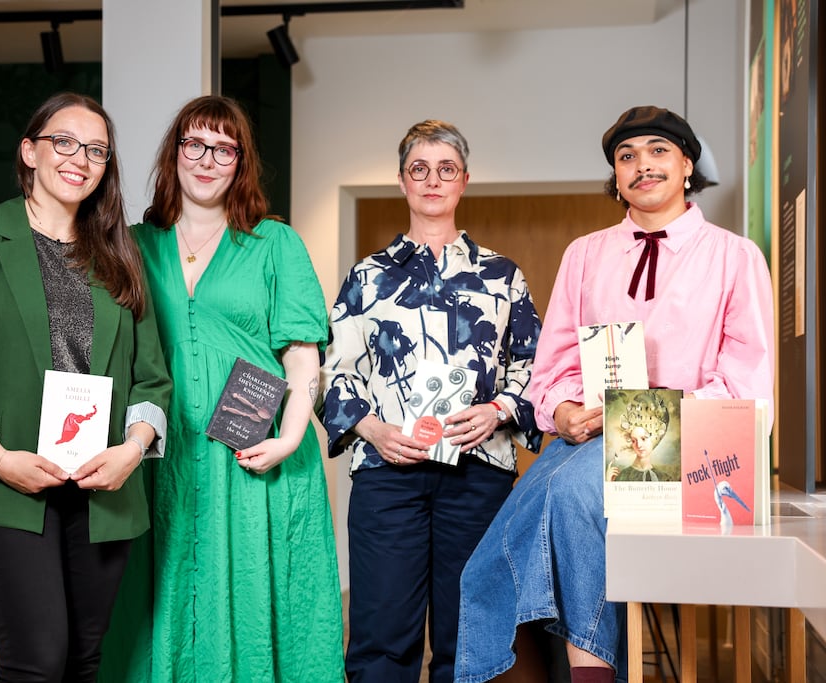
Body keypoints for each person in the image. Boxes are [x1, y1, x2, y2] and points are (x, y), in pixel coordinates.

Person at [455, 105, 774, 683]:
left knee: (571, 495)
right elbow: (551, 368)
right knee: (492, 561)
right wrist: (563, 412)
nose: (642, 165)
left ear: (687, 165)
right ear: (616, 176)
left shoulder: (735, 256)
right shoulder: (585, 253)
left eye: (658, 151)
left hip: (694, 453)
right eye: (627, 156)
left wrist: (642, 420)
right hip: (585, 443)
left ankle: (588, 673)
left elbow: (747, 388)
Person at [0, 92, 171, 682]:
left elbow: (152, 377)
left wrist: (131, 452)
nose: (80, 158)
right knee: (36, 661)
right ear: (29, 151)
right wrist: (0, 460)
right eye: (64, 142)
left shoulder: (120, 253)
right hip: (3, 482)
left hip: (102, 490)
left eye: (97, 150)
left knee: (83, 661)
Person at [100, 95, 344, 682]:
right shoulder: (132, 244)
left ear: (241, 162)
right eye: (195, 145)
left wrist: (289, 438)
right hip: (158, 450)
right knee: (160, 591)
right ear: (174, 154)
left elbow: (302, 356)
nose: (208, 160)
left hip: (256, 453)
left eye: (224, 149)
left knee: (256, 594)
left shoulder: (274, 243)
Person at [320, 119, 542, 683]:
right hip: (387, 474)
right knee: (380, 637)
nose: (433, 180)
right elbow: (334, 373)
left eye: (446, 169)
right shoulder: (367, 277)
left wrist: (497, 410)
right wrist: (372, 429)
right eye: (419, 169)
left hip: (478, 472)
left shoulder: (503, 277)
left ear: (464, 180)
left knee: (469, 637)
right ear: (402, 181)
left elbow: (535, 369)